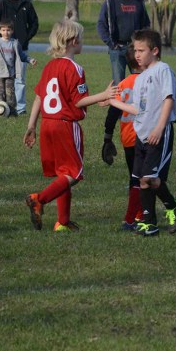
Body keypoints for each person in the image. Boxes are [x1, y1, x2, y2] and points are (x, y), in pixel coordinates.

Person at [23, 20, 117, 232]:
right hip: (65, 126)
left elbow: (39, 97)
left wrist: (31, 126)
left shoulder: (49, 66)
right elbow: (78, 101)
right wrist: (104, 95)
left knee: (62, 174)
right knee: (73, 174)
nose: (82, 41)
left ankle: (63, 222)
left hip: (47, 125)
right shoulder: (75, 68)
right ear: (74, 41)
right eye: (81, 38)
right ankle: (39, 199)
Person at [107, 29, 176, 236]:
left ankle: (173, 205)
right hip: (141, 136)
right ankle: (149, 224)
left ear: (155, 50)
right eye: (135, 50)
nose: (137, 55)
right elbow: (138, 109)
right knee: (142, 181)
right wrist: (113, 102)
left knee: (151, 179)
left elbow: (168, 99)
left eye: (141, 50)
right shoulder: (141, 78)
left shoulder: (163, 70)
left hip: (158, 133)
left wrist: (159, 128)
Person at [107, 47, 144, 230]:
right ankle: (137, 215)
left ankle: (137, 214)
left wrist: (107, 137)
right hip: (143, 137)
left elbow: (113, 112)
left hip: (128, 138)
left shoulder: (123, 84)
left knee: (134, 176)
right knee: (144, 178)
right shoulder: (146, 82)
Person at [97, 0, 150, 85]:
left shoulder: (139, 1)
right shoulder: (110, 2)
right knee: (118, 83)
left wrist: (142, 41)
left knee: (140, 80)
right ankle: (117, 98)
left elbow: (146, 23)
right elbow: (101, 25)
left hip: (135, 48)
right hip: (117, 49)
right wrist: (111, 43)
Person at [0, 0, 39, 115]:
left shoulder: (26, 4)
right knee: (1, 79)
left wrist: (25, 38)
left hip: (20, 49)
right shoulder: (1, 4)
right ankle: (2, 107)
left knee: (20, 79)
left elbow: (34, 23)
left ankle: (20, 109)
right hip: (2, 50)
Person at [0, 20, 36, 115]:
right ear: (0, 31)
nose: (6, 32)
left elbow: (22, 55)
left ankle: (11, 112)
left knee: (10, 94)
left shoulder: (15, 43)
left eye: (8, 30)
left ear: (12, 31)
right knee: (0, 93)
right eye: (3, 30)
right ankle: (1, 112)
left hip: (10, 74)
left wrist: (30, 60)